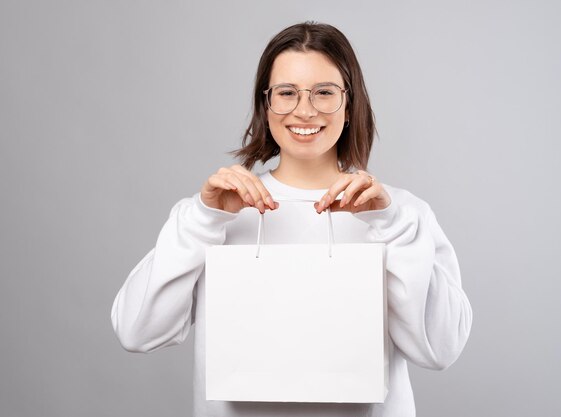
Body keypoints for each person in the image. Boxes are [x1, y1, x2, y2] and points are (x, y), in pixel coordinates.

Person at [111, 21, 472, 417]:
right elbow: (137, 331)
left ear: (349, 105)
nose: (305, 109)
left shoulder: (402, 214)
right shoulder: (212, 213)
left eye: (324, 93)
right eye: (286, 93)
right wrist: (203, 218)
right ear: (266, 106)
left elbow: (440, 349)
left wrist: (393, 223)